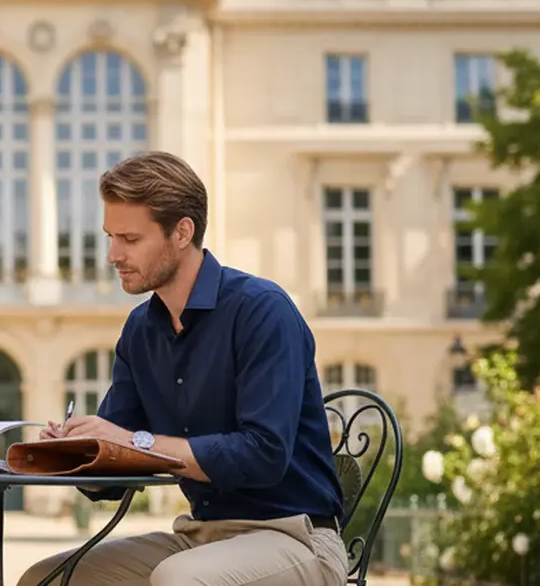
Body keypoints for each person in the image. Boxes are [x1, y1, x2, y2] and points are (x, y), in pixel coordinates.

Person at [17, 151, 348, 586]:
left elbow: (263, 455)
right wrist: (78, 450)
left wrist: (133, 441)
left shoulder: (262, 310)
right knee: (45, 578)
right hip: (201, 536)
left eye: (130, 239)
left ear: (182, 232)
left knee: (178, 579)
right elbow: (115, 471)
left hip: (295, 537)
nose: (113, 254)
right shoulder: (140, 330)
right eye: (111, 237)